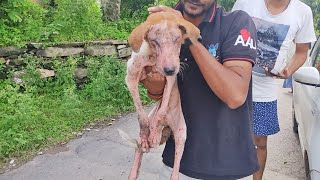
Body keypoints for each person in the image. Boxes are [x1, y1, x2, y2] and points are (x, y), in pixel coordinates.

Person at [140, 0, 260, 179]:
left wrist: (188, 35)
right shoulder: (163, 24)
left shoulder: (236, 22)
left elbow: (235, 95)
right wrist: (151, 78)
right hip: (177, 166)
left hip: (228, 167)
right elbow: (160, 92)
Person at [232, 0, 317, 179]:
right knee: (225, 138)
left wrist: (288, 70)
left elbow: (302, 51)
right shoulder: (245, 3)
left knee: (260, 143)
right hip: (233, 81)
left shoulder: (303, 12)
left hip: (265, 89)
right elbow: (227, 34)